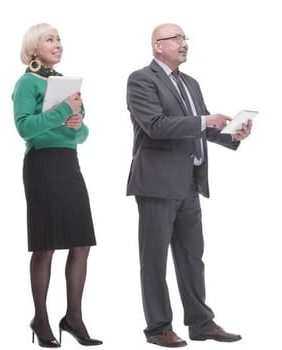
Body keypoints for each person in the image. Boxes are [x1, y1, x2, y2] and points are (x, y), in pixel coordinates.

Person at [126, 23, 249, 348]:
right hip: (155, 183)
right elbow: (155, 125)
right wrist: (203, 121)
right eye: (176, 39)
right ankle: (158, 328)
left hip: (189, 183)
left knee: (193, 257)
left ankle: (201, 323)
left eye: (185, 38)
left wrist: (232, 133)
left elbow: (202, 126)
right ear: (157, 46)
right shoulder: (141, 80)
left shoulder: (190, 83)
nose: (184, 44)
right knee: (154, 260)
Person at [11, 23, 102, 348]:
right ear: (34, 49)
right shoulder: (26, 84)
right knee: (45, 245)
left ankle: (73, 317)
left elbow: (81, 135)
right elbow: (24, 128)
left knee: (81, 242)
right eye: (50, 39)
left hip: (68, 163)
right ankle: (41, 318)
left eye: (59, 39)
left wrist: (77, 123)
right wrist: (64, 111)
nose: (58, 44)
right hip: (42, 164)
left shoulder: (65, 85)